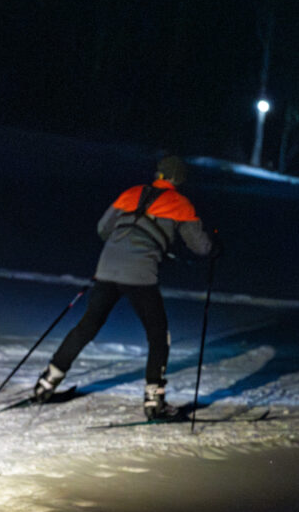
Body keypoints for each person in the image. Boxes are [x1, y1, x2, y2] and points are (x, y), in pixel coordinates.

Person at [33, 155, 217, 419]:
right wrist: (215, 247)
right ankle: (154, 401)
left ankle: (46, 384)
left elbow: (103, 229)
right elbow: (200, 247)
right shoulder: (180, 204)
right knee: (158, 335)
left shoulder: (131, 193)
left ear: (159, 174)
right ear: (179, 179)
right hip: (141, 275)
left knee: (87, 325)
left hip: (106, 269)